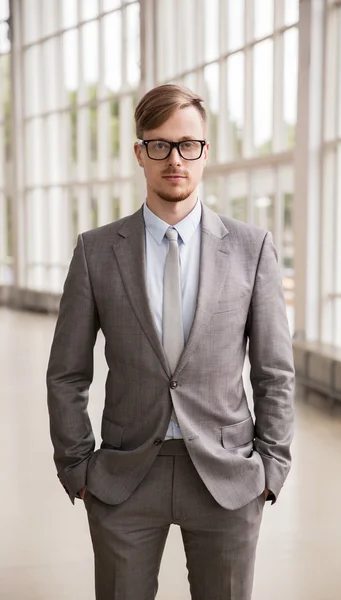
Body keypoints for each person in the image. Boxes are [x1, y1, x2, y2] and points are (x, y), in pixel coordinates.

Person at [47, 84, 295, 600]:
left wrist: (270, 469)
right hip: (124, 475)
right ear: (140, 153)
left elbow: (275, 372)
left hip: (228, 478)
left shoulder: (253, 249)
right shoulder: (95, 252)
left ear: (205, 151)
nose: (174, 159)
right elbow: (68, 373)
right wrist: (77, 467)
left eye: (188, 145)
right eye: (159, 145)